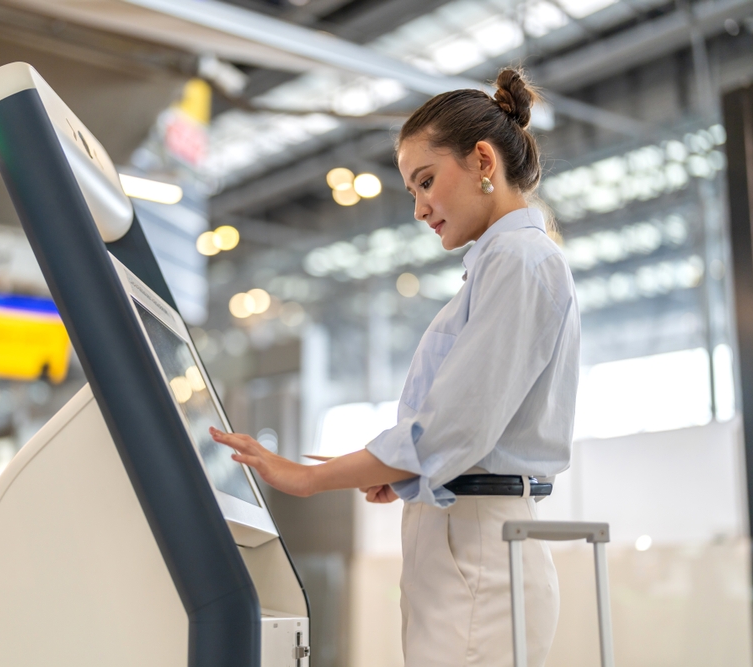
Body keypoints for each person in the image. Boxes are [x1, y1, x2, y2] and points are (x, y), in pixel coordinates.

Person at [210, 67, 580, 667]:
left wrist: (306, 479)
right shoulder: (502, 263)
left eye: (426, 181)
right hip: (465, 538)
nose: (418, 207)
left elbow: (454, 428)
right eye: (412, 189)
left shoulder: (519, 260)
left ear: (483, 160)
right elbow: (455, 431)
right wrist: (399, 468)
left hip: (479, 547)